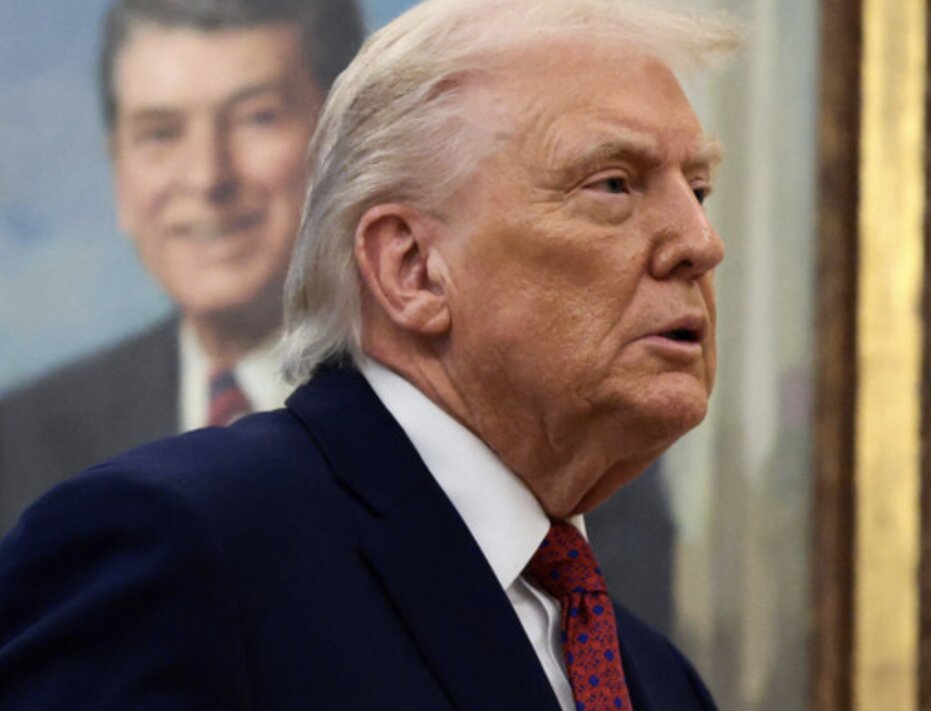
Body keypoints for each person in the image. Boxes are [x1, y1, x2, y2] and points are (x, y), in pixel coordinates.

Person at [0, 0, 739, 707]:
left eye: (698, 190)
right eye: (613, 184)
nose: (700, 243)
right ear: (411, 268)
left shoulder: (658, 679)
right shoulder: (179, 546)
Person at [0, 0, 363, 532]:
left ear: (349, 143)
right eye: (161, 132)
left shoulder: (445, 401)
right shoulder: (20, 444)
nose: (207, 176)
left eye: (257, 117)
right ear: (119, 173)